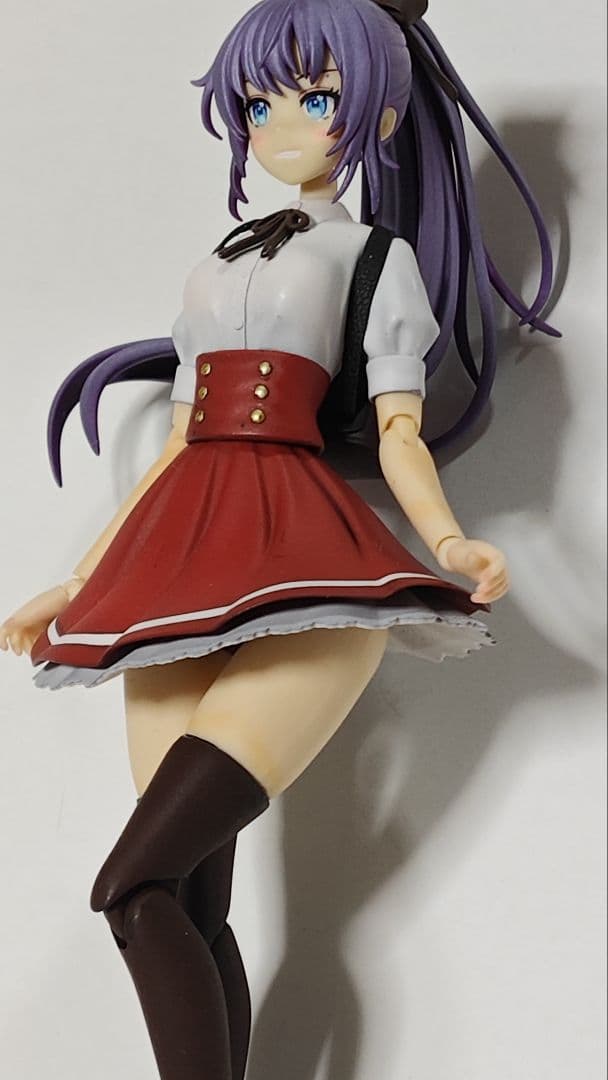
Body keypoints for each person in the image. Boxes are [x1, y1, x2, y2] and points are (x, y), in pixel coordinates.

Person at [0, 1, 557, 1077]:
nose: (281, 124)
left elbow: (397, 430)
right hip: (172, 569)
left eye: (316, 97)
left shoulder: (374, 258)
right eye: (258, 104)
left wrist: (448, 543)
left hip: (304, 566)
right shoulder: (216, 262)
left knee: (132, 886)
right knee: (188, 898)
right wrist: (75, 580)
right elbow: (176, 442)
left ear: (379, 115)